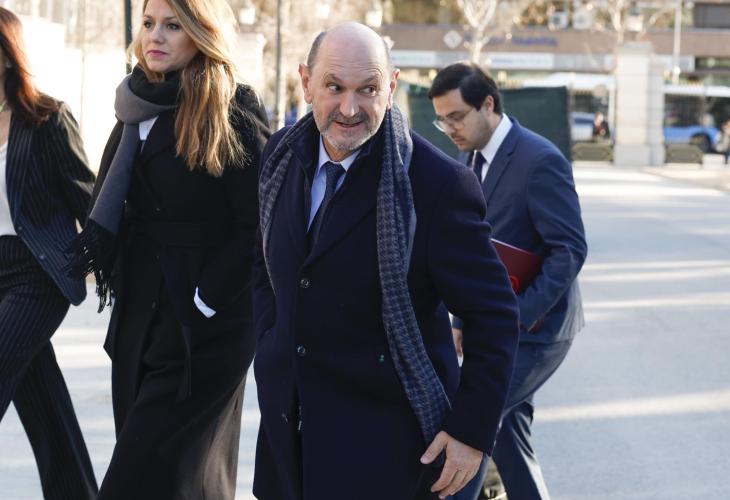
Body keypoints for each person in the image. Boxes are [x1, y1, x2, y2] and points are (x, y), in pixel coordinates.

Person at [253, 22, 519, 500]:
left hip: (387, 455)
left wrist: (471, 433)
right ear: (306, 82)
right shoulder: (279, 156)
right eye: (334, 87)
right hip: (287, 443)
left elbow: (495, 315)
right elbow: (265, 266)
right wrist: (269, 339)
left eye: (368, 89)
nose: (349, 108)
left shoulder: (437, 185)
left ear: (391, 87)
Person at [65, 0, 269, 498]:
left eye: (173, 26)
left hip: (203, 329)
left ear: (201, 33)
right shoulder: (136, 102)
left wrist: (206, 299)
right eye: (149, 23)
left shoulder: (231, 109)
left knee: (142, 480)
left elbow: (261, 224)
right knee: (181, 483)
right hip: (139, 318)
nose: (155, 36)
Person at [429, 62, 587, 500]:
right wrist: (461, 321)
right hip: (495, 327)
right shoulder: (466, 159)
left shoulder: (541, 160)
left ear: (488, 104)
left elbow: (569, 249)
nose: (449, 129)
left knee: (473, 421)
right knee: (509, 437)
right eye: (441, 121)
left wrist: (516, 317)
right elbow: (475, 254)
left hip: (538, 330)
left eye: (456, 117)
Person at [0, 7, 98, 499]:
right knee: (42, 399)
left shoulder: (46, 118)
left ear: (6, 54)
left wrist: (112, 267)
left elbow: (89, 200)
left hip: (35, 275)